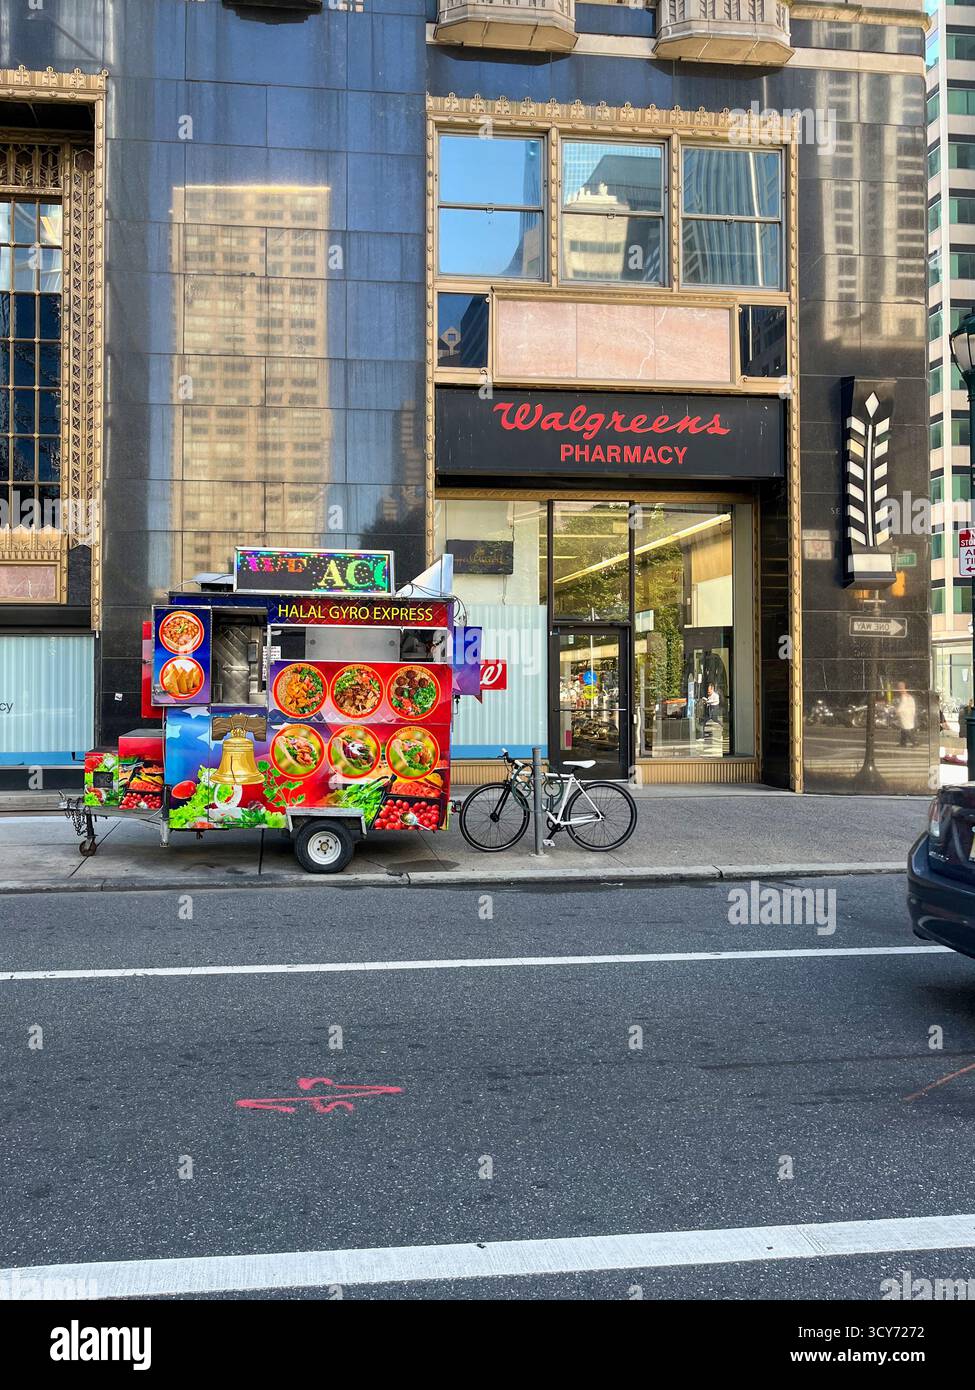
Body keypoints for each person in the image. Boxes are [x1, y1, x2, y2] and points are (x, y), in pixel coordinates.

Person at [894, 681, 916, 748]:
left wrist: (898, 711)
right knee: (903, 729)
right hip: (908, 714)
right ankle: (903, 743)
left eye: (899, 687)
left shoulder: (904, 695)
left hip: (905, 715)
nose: (898, 689)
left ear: (902, 687)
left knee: (906, 729)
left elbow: (902, 705)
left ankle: (914, 742)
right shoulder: (907, 695)